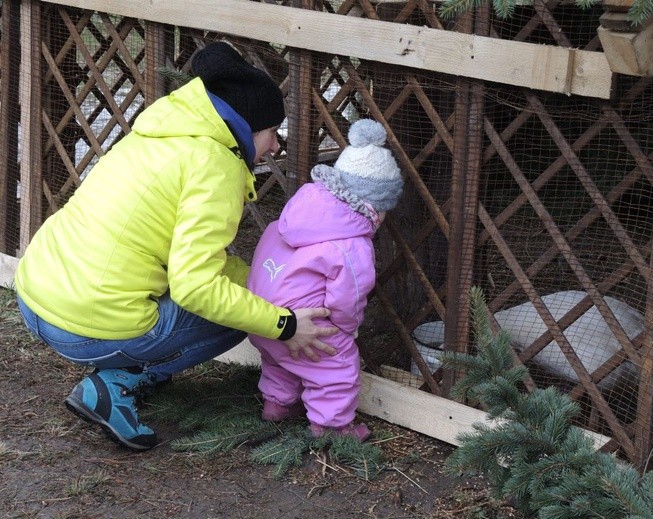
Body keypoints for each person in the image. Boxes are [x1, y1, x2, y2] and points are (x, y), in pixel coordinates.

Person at [13, 41, 338, 451]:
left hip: (35, 295)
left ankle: (122, 364)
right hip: (80, 326)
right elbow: (195, 287)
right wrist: (283, 323)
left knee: (238, 296)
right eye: (273, 133)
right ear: (246, 125)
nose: (276, 146)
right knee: (235, 317)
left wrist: (258, 282)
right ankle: (115, 383)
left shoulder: (161, 131)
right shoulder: (215, 164)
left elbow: (183, 257)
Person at [247, 118, 403, 442]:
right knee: (336, 366)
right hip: (306, 324)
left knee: (280, 359)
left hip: (261, 317)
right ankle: (332, 427)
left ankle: (276, 404)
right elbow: (348, 297)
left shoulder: (298, 211)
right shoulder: (353, 244)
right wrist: (348, 327)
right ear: (374, 205)